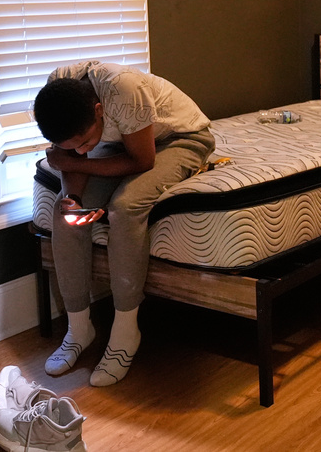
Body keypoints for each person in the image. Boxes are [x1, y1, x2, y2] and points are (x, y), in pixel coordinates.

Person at [33, 61, 214, 386]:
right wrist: (72, 198)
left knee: (125, 206)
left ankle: (125, 332)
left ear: (99, 110)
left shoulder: (123, 89)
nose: (83, 151)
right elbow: (72, 160)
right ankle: (79, 329)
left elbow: (142, 161)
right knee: (66, 214)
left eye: (86, 142)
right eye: (74, 147)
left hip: (177, 139)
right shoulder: (59, 90)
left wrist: (79, 164)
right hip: (119, 144)